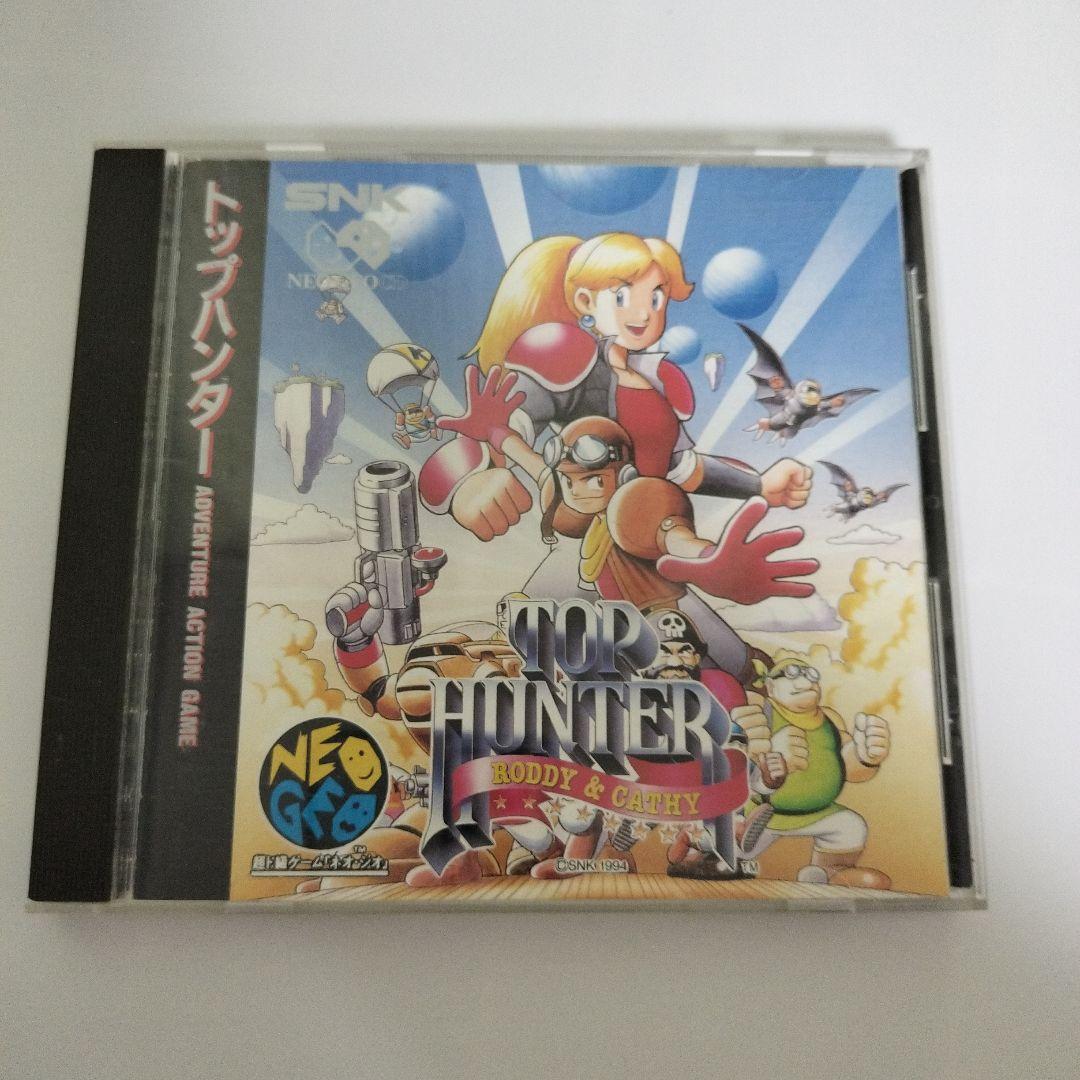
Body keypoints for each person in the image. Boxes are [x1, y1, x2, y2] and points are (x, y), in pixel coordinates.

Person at [418, 232, 811, 542]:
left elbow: (680, 469)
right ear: (585, 301)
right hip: (583, 535)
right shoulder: (565, 355)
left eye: (656, 297)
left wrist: (759, 485)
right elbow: (506, 424)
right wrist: (466, 483)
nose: (643, 313)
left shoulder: (661, 379)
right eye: (622, 296)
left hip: (648, 537)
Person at [438, 366, 818, 682]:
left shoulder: (638, 504)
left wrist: (709, 560)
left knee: (730, 665)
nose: (578, 491)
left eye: (593, 480)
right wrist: (496, 433)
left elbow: (672, 535)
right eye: (569, 480)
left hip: (656, 604)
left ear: (623, 475)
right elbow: (534, 464)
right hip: (597, 606)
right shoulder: (563, 496)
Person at [732, 657, 893, 889]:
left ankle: (828, 872)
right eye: (792, 674)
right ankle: (720, 854)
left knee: (851, 825)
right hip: (763, 815)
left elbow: (848, 767)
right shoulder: (762, 711)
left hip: (818, 812)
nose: (805, 681)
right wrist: (766, 752)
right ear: (771, 687)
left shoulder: (829, 719)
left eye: (811, 675)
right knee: (730, 850)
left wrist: (865, 755)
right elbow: (733, 755)